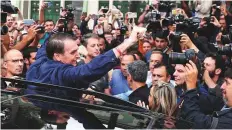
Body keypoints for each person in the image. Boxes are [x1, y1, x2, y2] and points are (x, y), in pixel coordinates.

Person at [26, 26, 146, 128]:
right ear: (57, 56)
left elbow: (83, 117)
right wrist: (129, 42)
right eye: (73, 52)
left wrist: (57, 30)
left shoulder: (41, 60)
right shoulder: (61, 75)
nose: (78, 56)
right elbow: (87, 71)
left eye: (77, 50)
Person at [179, 61, 232, 129]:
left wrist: (191, 87)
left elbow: (195, 121)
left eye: (227, 83)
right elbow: (206, 101)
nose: (222, 86)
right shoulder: (223, 103)